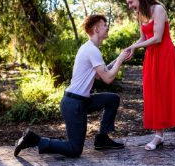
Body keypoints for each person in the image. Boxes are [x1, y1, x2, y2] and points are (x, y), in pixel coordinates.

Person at [14, 15, 129, 158]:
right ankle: (35, 140)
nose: (108, 27)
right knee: (74, 149)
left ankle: (102, 139)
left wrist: (119, 59)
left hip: (81, 101)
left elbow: (100, 74)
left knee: (112, 99)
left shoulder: (89, 48)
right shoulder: (92, 50)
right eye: (105, 24)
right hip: (74, 105)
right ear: (96, 29)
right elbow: (108, 79)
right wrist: (120, 60)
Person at [123, 0, 175, 153]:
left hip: (166, 56)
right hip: (151, 58)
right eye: (128, 3)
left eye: (131, 2)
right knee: (153, 94)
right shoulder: (140, 15)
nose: (130, 6)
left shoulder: (158, 9)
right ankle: (158, 135)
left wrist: (134, 46)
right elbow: (143, 38)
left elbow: (157, 38)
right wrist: (134, 47)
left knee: (171, 92)